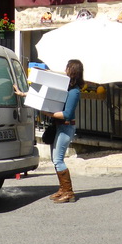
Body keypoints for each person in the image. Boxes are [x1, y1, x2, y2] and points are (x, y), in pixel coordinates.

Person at [37, 59, 84, 202]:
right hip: (60, 126)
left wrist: (48, 113)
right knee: (55, 159)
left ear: (73, 71)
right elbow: (58, 76)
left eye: (68, 68)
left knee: (58, 159)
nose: (65, 70)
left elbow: (67, 114)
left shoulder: (74, 92)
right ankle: (62, 189)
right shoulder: (68, 88)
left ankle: (68, 192)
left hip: (66, 126)